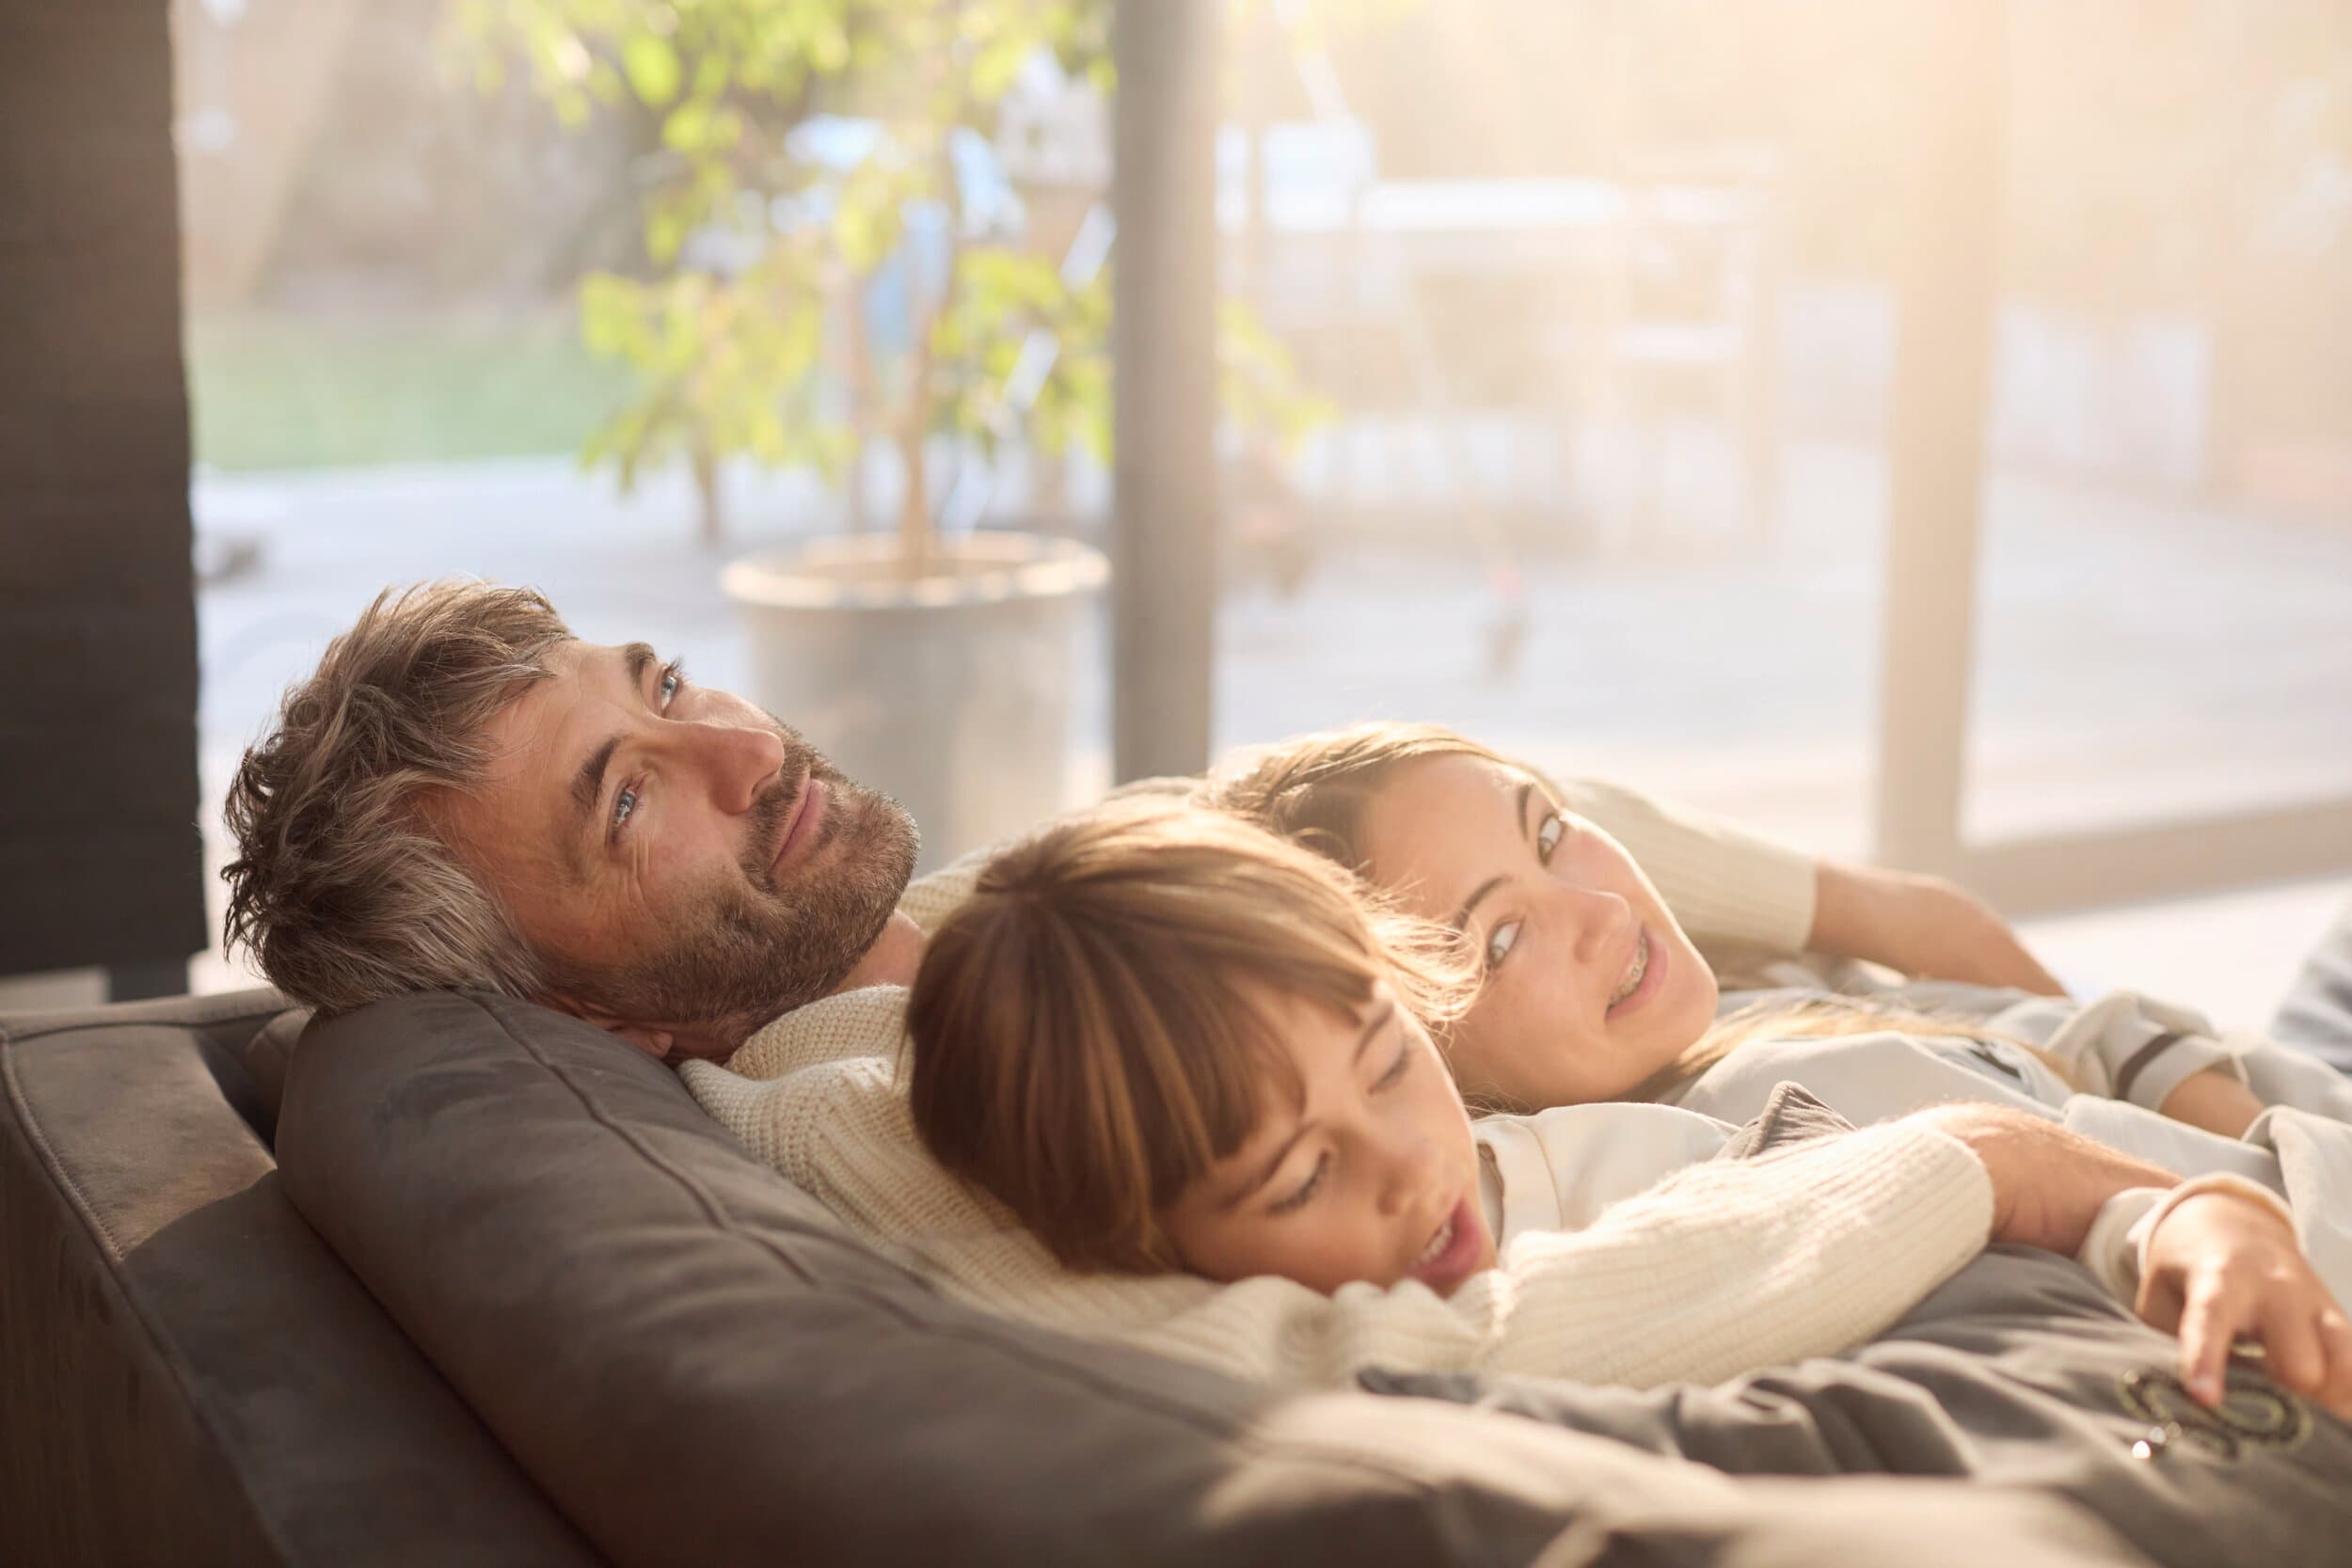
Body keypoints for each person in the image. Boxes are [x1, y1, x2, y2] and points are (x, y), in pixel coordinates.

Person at [215, 580, 2203, 1392]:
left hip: (1991, 1048)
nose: (745, 745)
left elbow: (1363, 807)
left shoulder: (1009, 898)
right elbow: (1377, 1355)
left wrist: (1875, 900)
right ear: (583, 1012)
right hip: (1967, 1148)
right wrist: (1983, 1162)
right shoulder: (870, 1111)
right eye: (631, 793)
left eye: (660, 686)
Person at [903, 800, 2352, 1414]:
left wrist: (2187, 1196)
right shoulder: (1612, 1214)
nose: (1412, 1170)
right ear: (1140, 1240)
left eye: (1390, 1056)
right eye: (1299, 1177)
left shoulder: (1619, 1118)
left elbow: (2027, 1136)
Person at [1208, 722, 2352, 1305]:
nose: (1600, 908)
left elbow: (2088, 1026)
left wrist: (2234, 1109)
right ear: (1417, 1053)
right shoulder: (1712, 1158)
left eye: (1549, 830)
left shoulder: (1745, 995)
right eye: (1499, 937)